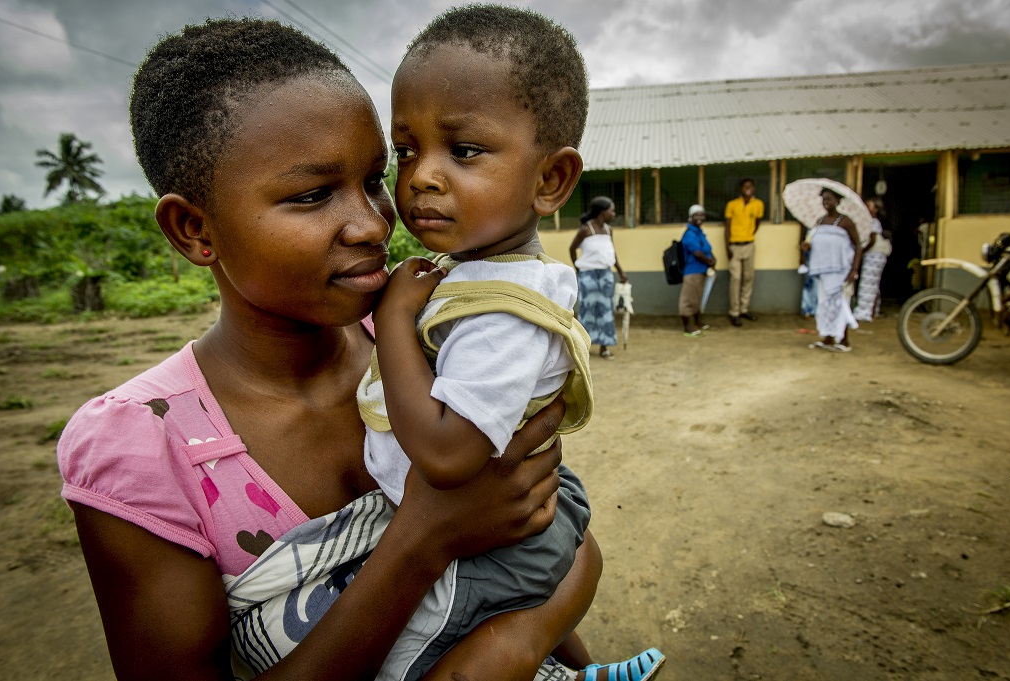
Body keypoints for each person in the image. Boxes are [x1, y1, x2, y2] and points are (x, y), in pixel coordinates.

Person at [54, 17, 640, 681]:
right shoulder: (145, 452)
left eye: (372, 179)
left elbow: (547, 544)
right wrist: (426, 536)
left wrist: (528, 639)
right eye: (311, 195)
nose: (374, 223)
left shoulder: (423, 336)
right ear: (193, 228)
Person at [360, 6, 661, 679]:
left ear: (550, 180)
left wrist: (393, 326)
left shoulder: (506, 309)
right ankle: (583, 671)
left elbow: (445, 452)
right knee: (529, 614)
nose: (421, 177)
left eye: (463, 151)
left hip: (491, 540)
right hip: (514, 513)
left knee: (409, 659)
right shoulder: (478, 274)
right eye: (406, 151)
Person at [804, 188, 863, 352]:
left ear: (837, 201)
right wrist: (807, 247)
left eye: (829, 199)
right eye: (823, 200)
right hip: (823, 271)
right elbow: (813, 243)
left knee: (840, 304)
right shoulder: (820, 221)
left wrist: (854, 269)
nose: (826, 203)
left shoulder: (846, 222)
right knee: (824, 304)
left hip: (841, 271)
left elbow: (858, 245)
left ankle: (843, 339)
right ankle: (828, 337)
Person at [570, 196, 629, 359]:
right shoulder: (585, 229)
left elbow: (612, 253)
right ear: (602, 212)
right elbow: (572, 248)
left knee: (605, 311)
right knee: (587, 310)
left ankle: (604, 347)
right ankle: (584, 347)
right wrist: (578, 268)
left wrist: (621, 272)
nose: (614, 214)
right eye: (612, 210)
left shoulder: (609, 230)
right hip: (588, 274)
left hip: (605, 274)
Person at [724, 177, 765, 326]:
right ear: (741, 189)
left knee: (748, 277)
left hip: (749, 245)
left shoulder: (758, 204)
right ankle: (734, 312)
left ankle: (744, 309)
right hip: (734, 245)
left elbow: (757, 223)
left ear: (754, 188)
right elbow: (727, 227)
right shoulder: (732, 205)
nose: (748, 188)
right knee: (735, 279)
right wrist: (727, 246)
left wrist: (748, 236)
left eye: (750, 186)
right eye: (745, 186)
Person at [678, 204, 716, 336]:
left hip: (702, 271)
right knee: (688, 299)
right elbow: (697, 252)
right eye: (696, 215)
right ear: (690, 217)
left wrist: (712, 260)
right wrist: (709, 261)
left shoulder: (699, 232)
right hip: (692, 271)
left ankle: (698, 322)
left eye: (702, 214)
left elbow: (707, 249)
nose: (700, 217)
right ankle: (687, 327)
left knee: (698, 298)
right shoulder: (689, 234)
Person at [853, 197, 891, 322]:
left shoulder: (873, 221)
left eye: (869, 205)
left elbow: (872, 239)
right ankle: (873, 311)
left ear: (876, 209)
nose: (866, 207)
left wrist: (861, 251)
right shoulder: (871, 221)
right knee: (873, 284)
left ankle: (865, 312)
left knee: (868, 283)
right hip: (875, 255)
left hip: (874, 254)